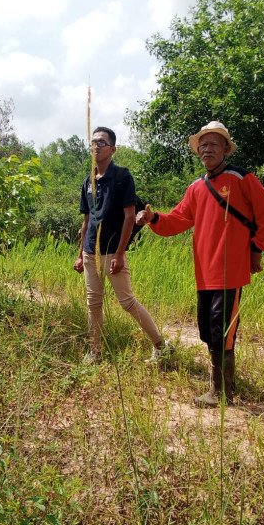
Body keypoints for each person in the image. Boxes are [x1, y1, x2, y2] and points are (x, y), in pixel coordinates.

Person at [137, 121, 264, 405]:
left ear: (226, 148)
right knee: (208, 328)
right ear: (197, 152)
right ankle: (218, 387)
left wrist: (255, 249)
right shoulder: (196, 188)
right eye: (202, 145)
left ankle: (222, 392)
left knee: (223, 331)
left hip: (230, 270)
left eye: (214, 144)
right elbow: (177, 220)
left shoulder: (241, 178)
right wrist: (154, 219)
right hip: (204, 271)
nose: (207, 149)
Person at [74, 126, 173, 364]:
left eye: (101, 143)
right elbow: (86, 221)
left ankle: (161, 346)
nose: (96, 147)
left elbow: (130, 217)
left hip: (112, 252)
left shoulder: (122, 176)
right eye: (93, 143)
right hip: (90, 253)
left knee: (127, 302)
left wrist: (120, 253)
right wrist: (80, 255)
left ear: (113, 149)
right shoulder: (88, 181)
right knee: (93, 303)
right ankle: (94, 352)